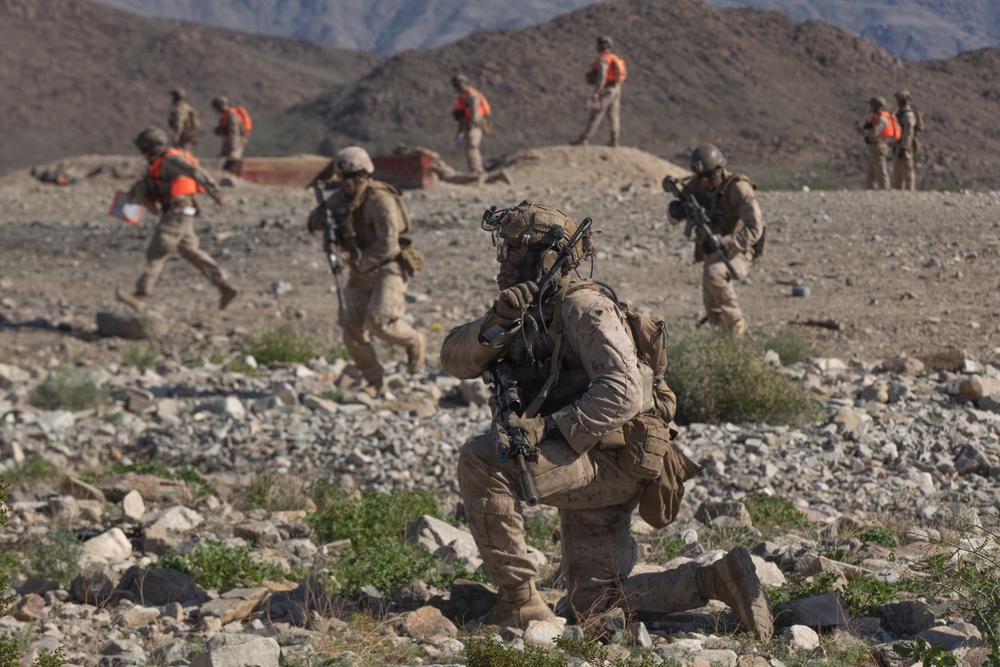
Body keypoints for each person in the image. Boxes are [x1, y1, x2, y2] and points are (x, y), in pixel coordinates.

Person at [441, 202, 773, 639]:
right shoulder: (525, 308)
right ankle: (715, 580)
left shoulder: (584, 307)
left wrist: (545, 428)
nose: (502, 259)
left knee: (482, 462)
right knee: (593, 604)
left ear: (545, 256)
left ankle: (519, 602)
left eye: (513, 250)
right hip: (588, 459)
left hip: (611, 461)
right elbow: (453, 358)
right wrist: (495, 324)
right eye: (501, 248)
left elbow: (622, 391)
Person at [307, 146, 425, 397]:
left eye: (353, 177)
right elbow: (316, 220)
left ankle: (414, 340)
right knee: (351, 329)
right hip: (359, 274)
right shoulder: (341, 199)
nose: (347, 183)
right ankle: (375, 381)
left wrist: (358, 259)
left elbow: (388, 242)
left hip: (388, 268)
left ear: (364, 174)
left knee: (379, 322)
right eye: (343, 178)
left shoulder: (379, 199)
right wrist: (321, 221)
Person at [116, 127, 238, 312]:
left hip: (177, 211)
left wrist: (216, 193)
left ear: (153, 147)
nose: (143, 153)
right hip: (177, 211)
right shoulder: (157, 163)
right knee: (189, 250)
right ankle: (224, 285)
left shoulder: (171, 160)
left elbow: (197, 172)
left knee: (158, 250)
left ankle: (141, 295)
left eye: (145, 149)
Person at [665, 145, 765, 337]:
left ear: (719, 169)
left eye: (708, 175)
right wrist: (677, 211)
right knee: (711, 301)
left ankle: (736, 324)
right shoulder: (698, 184)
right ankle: (722, 339)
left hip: (740, 249)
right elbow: (673, 211)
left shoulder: (738, 188)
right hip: (712, 250)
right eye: (700, 176)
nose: (704, 181)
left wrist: (725, 241)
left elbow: (755, 229)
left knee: (714, 274)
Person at [571, 36, 625, 148]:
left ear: (602, 46)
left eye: (598, 44)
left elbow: (602, 77)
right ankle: (614, 140)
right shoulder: (614, 57)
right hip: (617, 88)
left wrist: (597, 92)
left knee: (596, 113)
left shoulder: (603, 59)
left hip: (607, 89)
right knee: (613, 115)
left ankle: (584, 138)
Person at [392, 144, 512, 186]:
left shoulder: (416, 155)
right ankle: (495, 176)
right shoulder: (418, 154)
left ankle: (481, 176)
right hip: (443, 167)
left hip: (443, 170)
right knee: (459, 177)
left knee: (456, 178)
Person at [854, 96, 898, 190]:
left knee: (881, 171)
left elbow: (874, 132)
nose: (871, 108)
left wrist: (864, 132)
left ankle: (885, 190)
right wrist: (860, 130)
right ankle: (871, 190)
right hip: (873, 147)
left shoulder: (882, 119)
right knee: (871, 172)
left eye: (873, 106)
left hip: (879, 146)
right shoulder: (876, 118)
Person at [451, 75, 491, 177]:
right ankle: (475, 170)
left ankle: (478, 171)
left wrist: (470, 128)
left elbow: (475, 113)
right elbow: (462, 117)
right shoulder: (463, 97)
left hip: (477, 123)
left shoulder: (472, 96)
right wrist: (460, 132)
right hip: (469, 123)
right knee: (468, 146)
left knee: (472, 146)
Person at [211, 95, 248, 172]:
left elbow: (234, 132)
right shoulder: (226, 115)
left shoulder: (232, 116)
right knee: (223, 159)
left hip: (236, 141)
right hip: (229, 141)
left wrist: (233, 147)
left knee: (232, 161)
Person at [893, 90, 917, 191]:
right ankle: (899, 189)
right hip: (899, 144)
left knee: (908, 169)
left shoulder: (908, 115)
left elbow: (908, 133)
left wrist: (904, 147)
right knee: (898, 170)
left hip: (905, 146)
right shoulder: (899, 113)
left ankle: (910, 189)